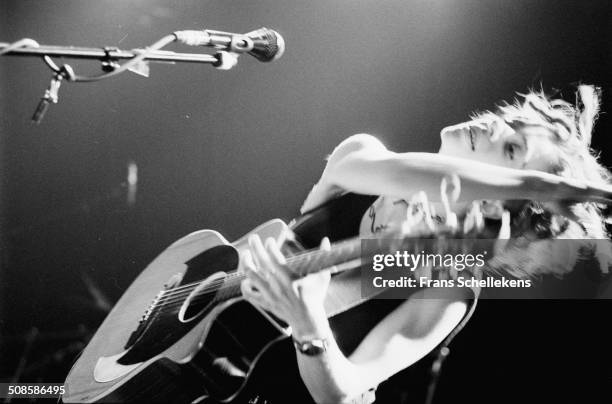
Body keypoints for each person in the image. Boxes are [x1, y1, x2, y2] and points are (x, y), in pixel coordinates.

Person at [239, 85, 612, 404]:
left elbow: (343, 394)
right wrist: (538, 186)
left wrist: (309, 327)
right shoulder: (362, 152)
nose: (497, 124)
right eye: (510, 119)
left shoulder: (451, 286)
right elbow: (407, 174)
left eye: (513, 150)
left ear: (499, 202)